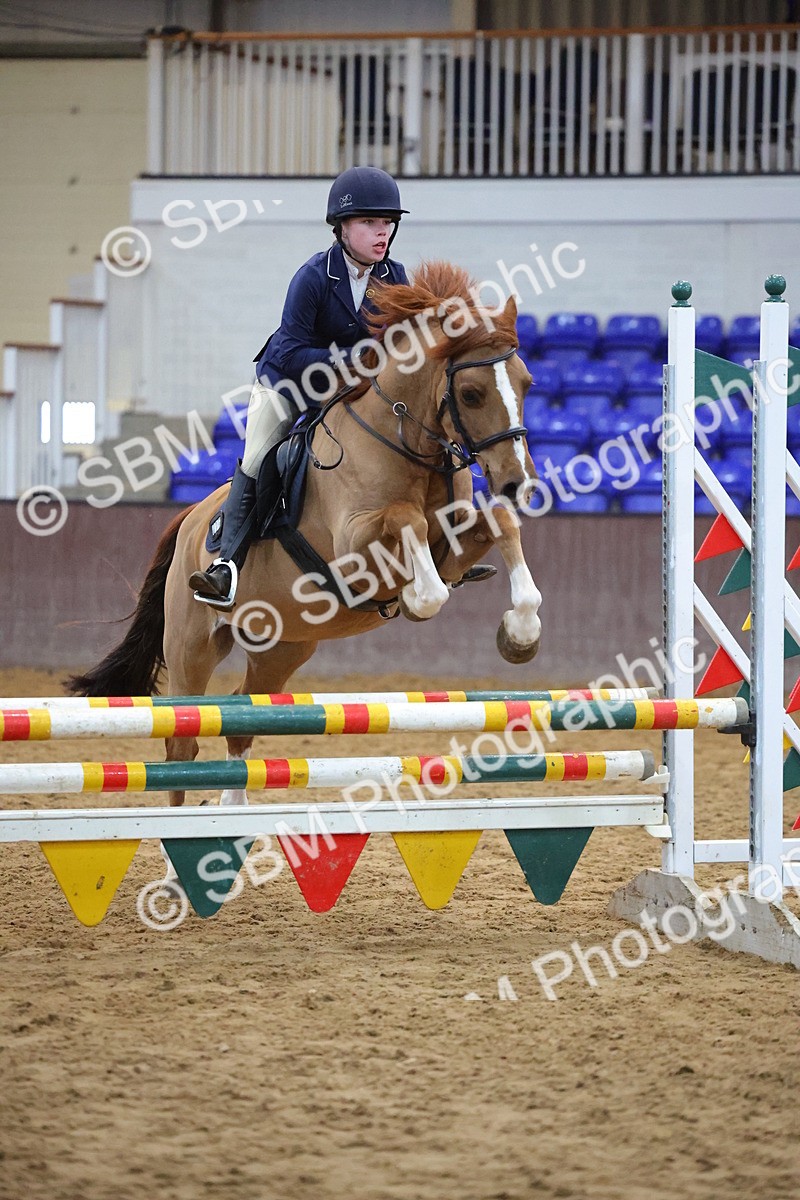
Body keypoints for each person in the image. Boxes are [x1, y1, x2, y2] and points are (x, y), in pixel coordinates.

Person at [190, 164, 495, 609]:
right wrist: (351, 361)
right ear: (342, 227)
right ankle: (228, 565)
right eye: (370, 223)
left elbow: (404, 347)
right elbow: (293, 352)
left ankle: (444, 548)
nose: (382, 233)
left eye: (388, 224)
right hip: (290, 384)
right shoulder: (313, 277)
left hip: (352, 391)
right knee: (260, 456)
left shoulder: (395, 276)